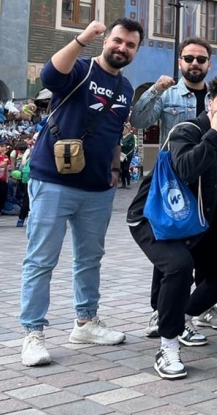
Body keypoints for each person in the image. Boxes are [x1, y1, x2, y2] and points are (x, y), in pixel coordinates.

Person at [18, 18, 143, 367]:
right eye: (118, 40)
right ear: (107, 41)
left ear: (136, 50)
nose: (122, 48)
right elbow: (49, 76)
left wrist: (115, 170)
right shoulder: (82, 69)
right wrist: (83, 38)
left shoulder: (126, 88)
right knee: (41, 259)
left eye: (130, 45)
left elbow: (115, 133)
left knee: (90, 258)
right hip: (53, 181)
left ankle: (86, 323)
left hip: (98, 188)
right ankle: (33, 333)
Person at [128, 75, 217, 379]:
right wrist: (214, 134)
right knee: (179, 266)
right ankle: (167, 347)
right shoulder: (187, 130)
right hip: (152, 218)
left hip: (191, 222)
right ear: (210, 103)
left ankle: (179, 316)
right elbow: (186, 168)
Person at [131, 38, 217, 333]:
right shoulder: (169, 95)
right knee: (170, 248)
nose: (194, 63)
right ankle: (160, 311)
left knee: (203, 245)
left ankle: (201, 306)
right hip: (173, 183)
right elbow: (139, 120)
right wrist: (155, 90)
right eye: (189, 58)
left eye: (201, 59)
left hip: (206, 182)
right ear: (180, 62)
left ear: (209, 64)